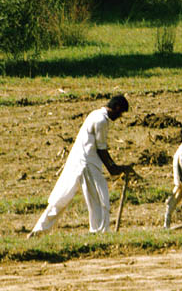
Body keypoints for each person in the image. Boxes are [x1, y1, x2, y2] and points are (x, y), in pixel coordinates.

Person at [27, 95, 133, 238]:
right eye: (121, 114)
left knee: (61, 199)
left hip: (79, 161)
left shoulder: (95, 114)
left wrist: (115, 167)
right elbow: (102, 150)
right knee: (100, 200)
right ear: (117, 108)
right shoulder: (101, 120)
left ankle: (38, 230)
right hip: (87, 164)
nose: (120, 117)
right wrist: (114, 168)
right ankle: (99, 234)